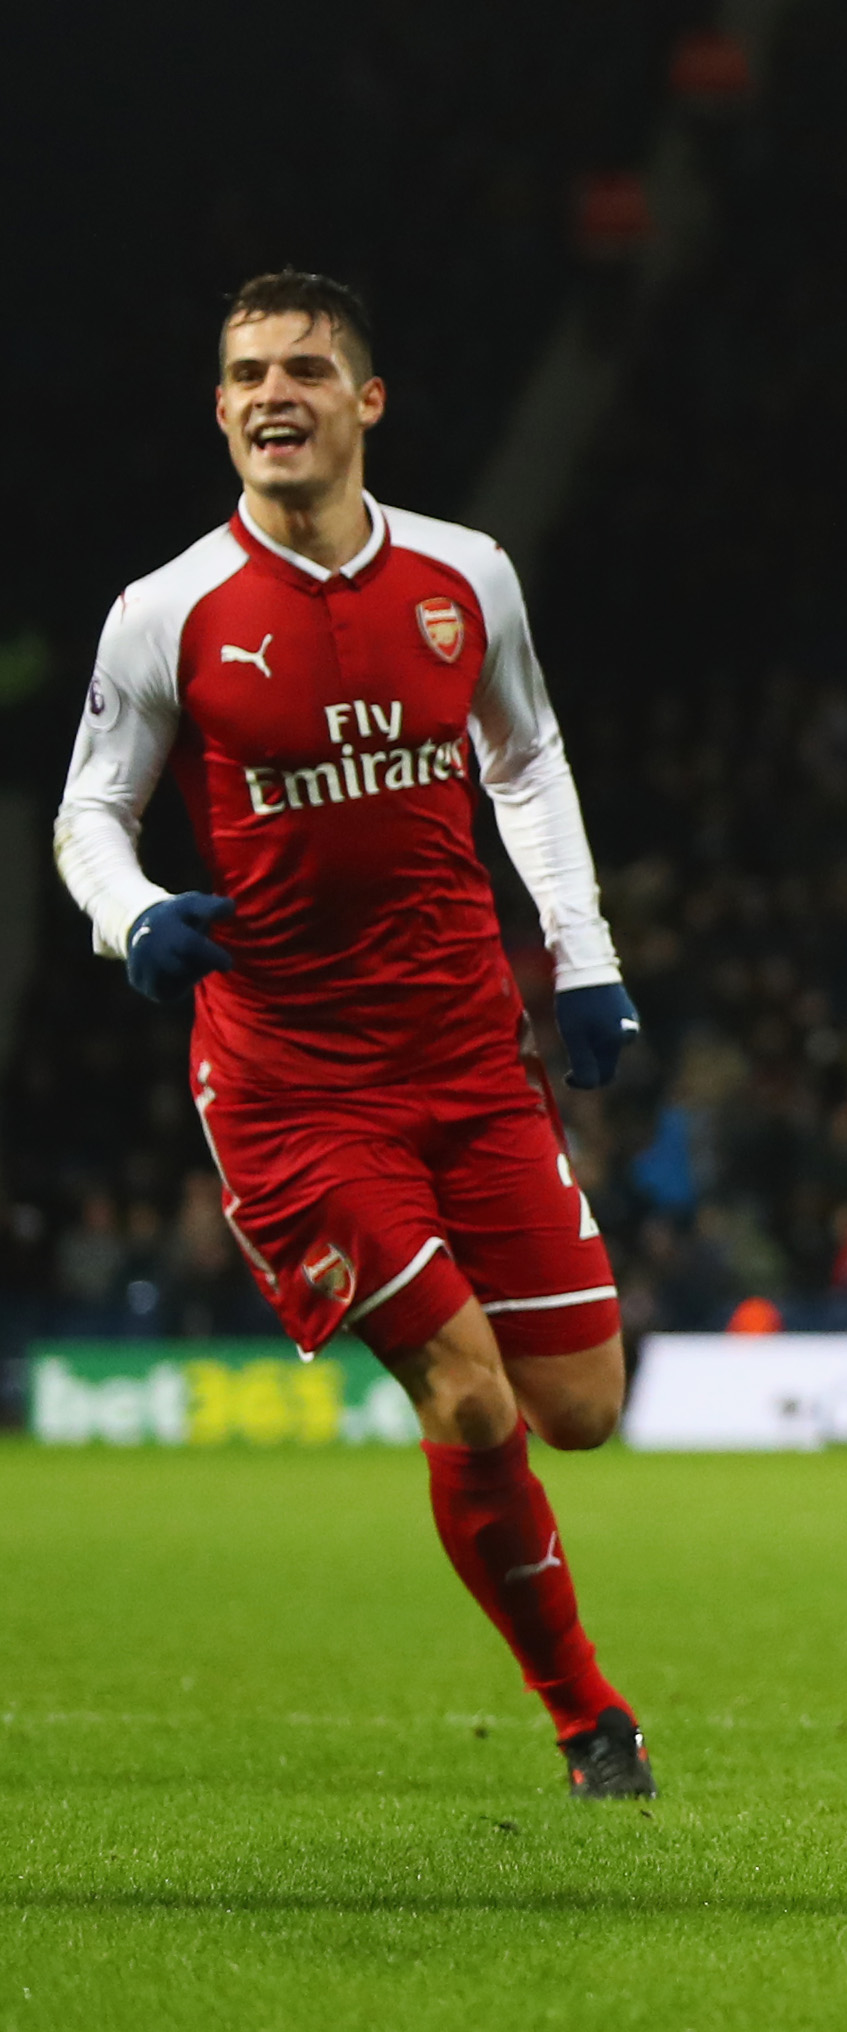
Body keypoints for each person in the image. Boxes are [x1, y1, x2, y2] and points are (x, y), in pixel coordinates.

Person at [52, 272, 656, 1800]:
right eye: (249, 371)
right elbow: (88, 817)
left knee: (579, 1409)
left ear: (365, 402)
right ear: (221, 408)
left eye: (307, 369)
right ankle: (590, 1718)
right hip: (291, 1082)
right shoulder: (167, 613)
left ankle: (559, 1647)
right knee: (466, 1389)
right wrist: (132, 917)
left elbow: (530, 764)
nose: (276, 393)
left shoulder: (468, 579)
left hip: (468, 1052)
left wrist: (581, 961)